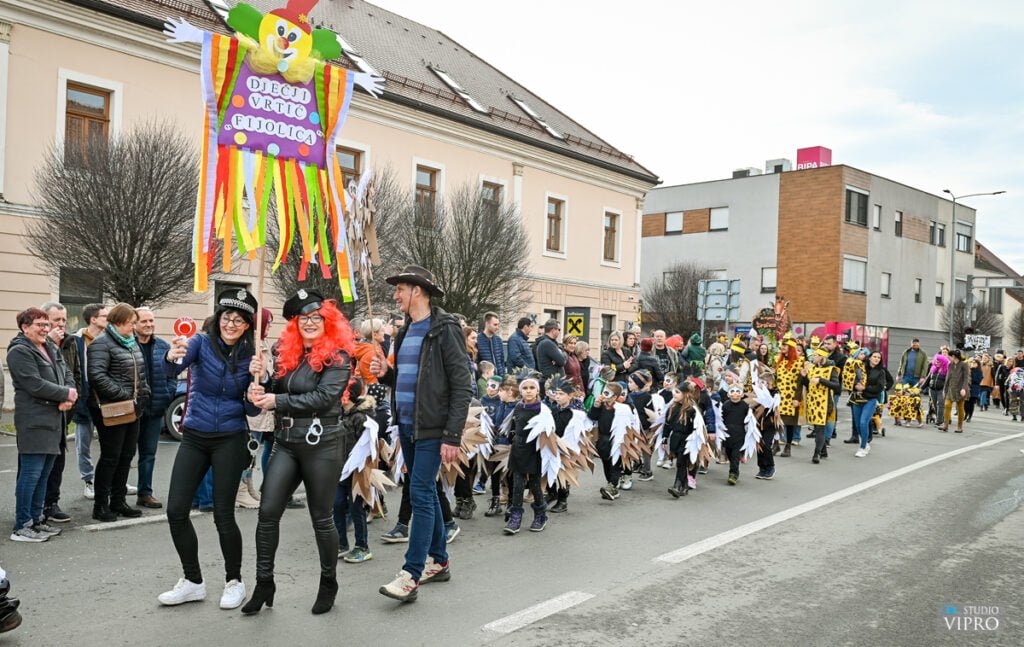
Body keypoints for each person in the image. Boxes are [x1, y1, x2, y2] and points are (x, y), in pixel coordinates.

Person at [243, 290, 353, 616]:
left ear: (328, 321)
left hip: (323, 442)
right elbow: (275, 390)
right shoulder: (287, 353)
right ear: (295, 324)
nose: (309, 323)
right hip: (286, 442)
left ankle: (328, 582)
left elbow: (323, 398)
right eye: (303, 318)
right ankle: (264, 583)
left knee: (321, 518)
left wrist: (277, 401)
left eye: (316, 318)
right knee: (267, 512)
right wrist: (262, 380)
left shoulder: (339, 357)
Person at [373, 265, 472, 603]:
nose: (395, 295)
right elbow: (409, 378)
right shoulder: (404, 332)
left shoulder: (444, 329)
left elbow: (462, 385)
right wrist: (387, 374)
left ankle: (411, 574)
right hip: (407, 425)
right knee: (426, 491)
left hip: (433, 428)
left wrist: (452, 435)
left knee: (419, 493)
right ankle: (439, 561)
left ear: (417, 291)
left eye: (400, 289)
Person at [159, 289, 259, 610]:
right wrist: (171, 356)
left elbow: (252, 409)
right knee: (176, 510)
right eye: (227, 317)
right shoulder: (200, 343)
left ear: (247, 326)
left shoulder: (252, 355)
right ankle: (192, 581)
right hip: (195, 435)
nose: (231, 324)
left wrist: (258, 387)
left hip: (230, 437)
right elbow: (171, 370)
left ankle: (234, 581)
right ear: (218, 319)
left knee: (223, 513)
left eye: (239, 320)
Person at [8, 308, 77, 542]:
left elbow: (67, 373)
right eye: (39, 324)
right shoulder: (19, 351)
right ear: (25, 327)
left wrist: (69, 396)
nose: (45, 329)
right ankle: (22, 526)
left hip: (54, 420)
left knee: (44, 475)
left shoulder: (50, 347)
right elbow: (34, 384)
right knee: (31, 474)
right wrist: (65, 394)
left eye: (47, 324)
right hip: (34, 421)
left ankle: (37, 520)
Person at [87, 303, 151, 522]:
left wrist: (144, 392)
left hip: (133, 408)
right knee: (110, 457)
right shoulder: (101, 344)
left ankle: (118, 501)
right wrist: (124, 395)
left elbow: (140, 372)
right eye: (131, 323)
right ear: (119, 322)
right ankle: (100, 506)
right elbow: (97, 376)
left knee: (126, 456)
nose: (134, 327)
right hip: (112, 409)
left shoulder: (131, 343)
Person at [62, 303, 108, 500]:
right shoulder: (75, 340)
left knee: (111, 444)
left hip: (105, 398)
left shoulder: (109, 339)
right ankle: (89, 480)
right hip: (84, 398)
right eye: (104, 316)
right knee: (84, 444)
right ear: (93, 319)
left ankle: (114, 480)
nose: (108, 319)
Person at [134, 307, 175, 509]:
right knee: (123, 456)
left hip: (155, 409)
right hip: (131, 411)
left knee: (148, 455)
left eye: (151, 320)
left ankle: (145, 493)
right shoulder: (128, 345)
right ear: (134, 324)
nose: (149, 324)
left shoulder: (163, 346)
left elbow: (172, 374)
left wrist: (168, 394)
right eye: (144, 321)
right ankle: (116, 495)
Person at [334, 379, 374, 565]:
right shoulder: (340, 414)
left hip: (356, 470)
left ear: (347, 395)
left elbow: (367, 445)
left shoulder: (360, 418)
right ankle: (341, 543)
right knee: (337, 504)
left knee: (356, 507)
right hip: (340, 469)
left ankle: (362, 546)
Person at [503, 372, 548, 535]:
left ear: (537, 391)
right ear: (520, 391)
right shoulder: (518, 407)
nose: (528, 391)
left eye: (532, 388)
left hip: (534, 450)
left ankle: (541, 514)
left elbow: (549, 432)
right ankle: (515, 516)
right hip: (518, 448)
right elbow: (513, 426)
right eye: (525, 388)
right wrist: (511, 441)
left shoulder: (543, 409)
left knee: (535, 484)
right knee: (517, 484)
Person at [39, 302, 72, 523]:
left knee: (57, 461)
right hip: (43, 411)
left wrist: (71, 397)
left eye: (63, 320)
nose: (61, 324)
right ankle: (34, 507)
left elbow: (72, 373)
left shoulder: (70, 342)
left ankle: (52, 502)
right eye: (56, 320)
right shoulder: (36, 344)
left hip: (65, 409)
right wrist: (49, 341)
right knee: (37, 465)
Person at [240, 308, 275, 509]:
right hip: (253, 408)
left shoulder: (263, 343)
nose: (269, 326)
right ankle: (241, 490)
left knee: (253, 454)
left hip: (264, 409)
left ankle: (249, 486)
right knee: (248, 451)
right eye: (267, 322)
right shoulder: (251, 345)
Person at [799, 347, 841, 464]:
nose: (813, 357)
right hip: (813, 402)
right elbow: (807, 384)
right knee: (817, 427)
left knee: (819, 427)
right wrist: (803, 376)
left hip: (825, 402)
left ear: (822, 357)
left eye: (815, 355)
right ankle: (823, 451)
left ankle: (816, 453)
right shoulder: (812, 368)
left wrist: (820, 380)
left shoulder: (831, 369)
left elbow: (836, 386)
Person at [851, 351, 893, 458]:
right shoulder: (861, 367)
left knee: (863, 422)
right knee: (857, 424)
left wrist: (865, 388)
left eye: (879, 357)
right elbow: (852, 379)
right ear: (869, 358)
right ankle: (865, 443)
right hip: (857, 399)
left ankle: (862, 447)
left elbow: (879, 387)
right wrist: (855, 386)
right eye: (874, 356)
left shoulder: (881, 371)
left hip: (871, 399)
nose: (877, 359)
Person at [776, 332, 803, 456]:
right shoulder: (780, 362)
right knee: (777, 422)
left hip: (791, 397)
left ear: (791, 347)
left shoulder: (798, 363)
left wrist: (797, 398)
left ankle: (788, 446)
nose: (782, 347)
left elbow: (800, 383)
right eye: (782, 345)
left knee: (790, 423)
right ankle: (776, 444)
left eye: (785, 345)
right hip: (779, 397)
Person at [939, 349, 970, 433]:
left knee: (960, 407)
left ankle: (960, 427)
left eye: (949, 356)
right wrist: (945, 389)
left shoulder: (964, 364)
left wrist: (964, 388)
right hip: (951, 389)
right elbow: (947, 377)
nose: (948, 358)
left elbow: (966, 378)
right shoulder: (950, 364)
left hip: (960, 389)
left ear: (953, 356)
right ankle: (945, 425)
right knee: (947, 405)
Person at [534, 319, 566, 384]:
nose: (559, 332)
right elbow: (562, 361)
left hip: (552, 381)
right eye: (559, 329)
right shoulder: (547, 343)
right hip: (551, 382)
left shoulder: (551, 342)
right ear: (553, 330)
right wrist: (561, 354)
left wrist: (559, 357)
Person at [477, 312, 506, 377]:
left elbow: (502, 361)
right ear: (487, 323)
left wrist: (503, 376)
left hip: (499, 378)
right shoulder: (477, 339)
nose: (497, 327)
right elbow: (476, 362)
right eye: (495, 325)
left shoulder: (498, 340)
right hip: (485, 379)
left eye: (498, 325)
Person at [965, 358, 983, 423]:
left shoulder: (979, 371)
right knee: (965, 403)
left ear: (977, 364)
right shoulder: (967, 370)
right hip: (967, 388)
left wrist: (974, 370)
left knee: (971, 403)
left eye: (974, 363)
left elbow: (977, 380)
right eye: (971, 362)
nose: (973, 364)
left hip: (975, 388)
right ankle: (966, 413)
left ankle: (970, 416)